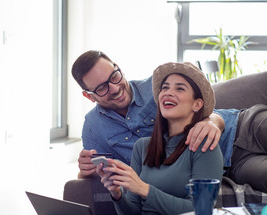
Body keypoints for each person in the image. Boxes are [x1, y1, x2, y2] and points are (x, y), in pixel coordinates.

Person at [73, 50, 267, 193]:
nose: (114, 88)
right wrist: (86, 172)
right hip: (232, 165)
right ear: (89, 96)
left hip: (242, 126)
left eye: (114, 77)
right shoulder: (93, 128)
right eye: (101, 88)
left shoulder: (158, 86)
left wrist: (211, 122)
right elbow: (103, 174)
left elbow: (209, 110)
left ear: (117, 67)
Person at [96, 62, 224, 215]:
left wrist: (145, 189)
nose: (168, 92)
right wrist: (116, 194)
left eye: (180, 89)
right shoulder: (142, 147)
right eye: (165, 88)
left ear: (197, 104)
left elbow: (200, 210)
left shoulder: (204, 146)